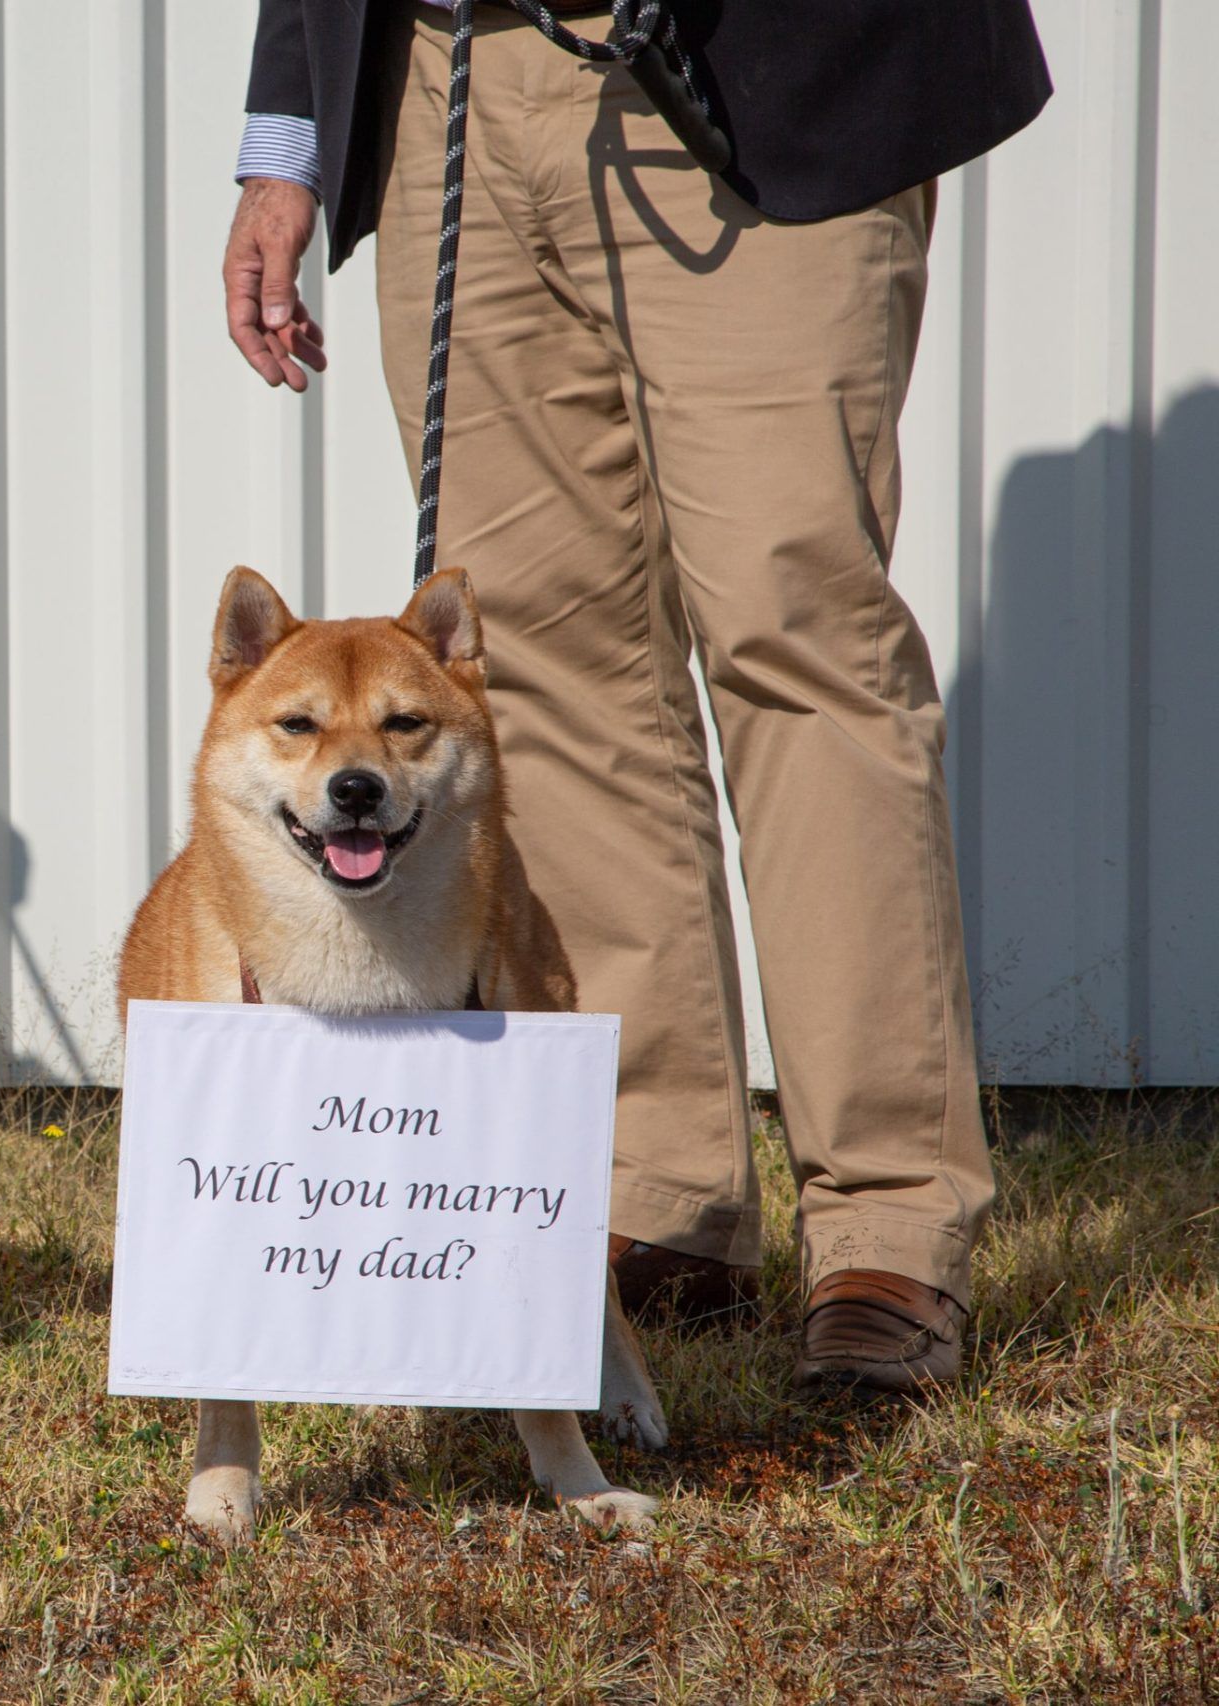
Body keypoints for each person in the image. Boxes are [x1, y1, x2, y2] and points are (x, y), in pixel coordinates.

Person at [223, 1, 1048, 1391]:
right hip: (448, 77)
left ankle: (889, 1223)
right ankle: (658, 1185)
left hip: (750, 64)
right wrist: (287, 143)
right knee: (541, 671)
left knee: (800, 644)